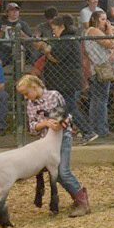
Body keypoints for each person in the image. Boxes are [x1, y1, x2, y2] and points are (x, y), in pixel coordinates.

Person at [17, 74, 91, 217]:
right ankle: (78, 195)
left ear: (35, 87)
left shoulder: (53, 95)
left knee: (63, 172)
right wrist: (45, 123)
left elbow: (66, 115)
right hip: (46, 144)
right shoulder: (31, 104)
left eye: (27, 93)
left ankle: (83, 203)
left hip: (63, 138)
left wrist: (61, 123)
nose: (26, 97)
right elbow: (32, 127)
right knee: (55, 175)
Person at [43, 15, 96, 144]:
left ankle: (88, 131)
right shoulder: (67, 39)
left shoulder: (66, 40)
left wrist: (46, 50)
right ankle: (56, 133)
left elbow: (56, 58)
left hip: (66, 81)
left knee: (69, 106)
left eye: (55, 28)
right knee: (61, 107)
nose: (53, 31)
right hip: (65, 80)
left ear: (62, 27)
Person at [83, 11, 114, 137]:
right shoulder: (93, 30)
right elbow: (110, 43)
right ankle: (101, 129)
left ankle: (97, 128)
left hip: (98, 67)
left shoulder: (96, 31)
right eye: (102, 19)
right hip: (98, 69)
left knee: (98, 99)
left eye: (106, 19)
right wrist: (110, 30)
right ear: (95, 19)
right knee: (100, 100)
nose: (105, 22)